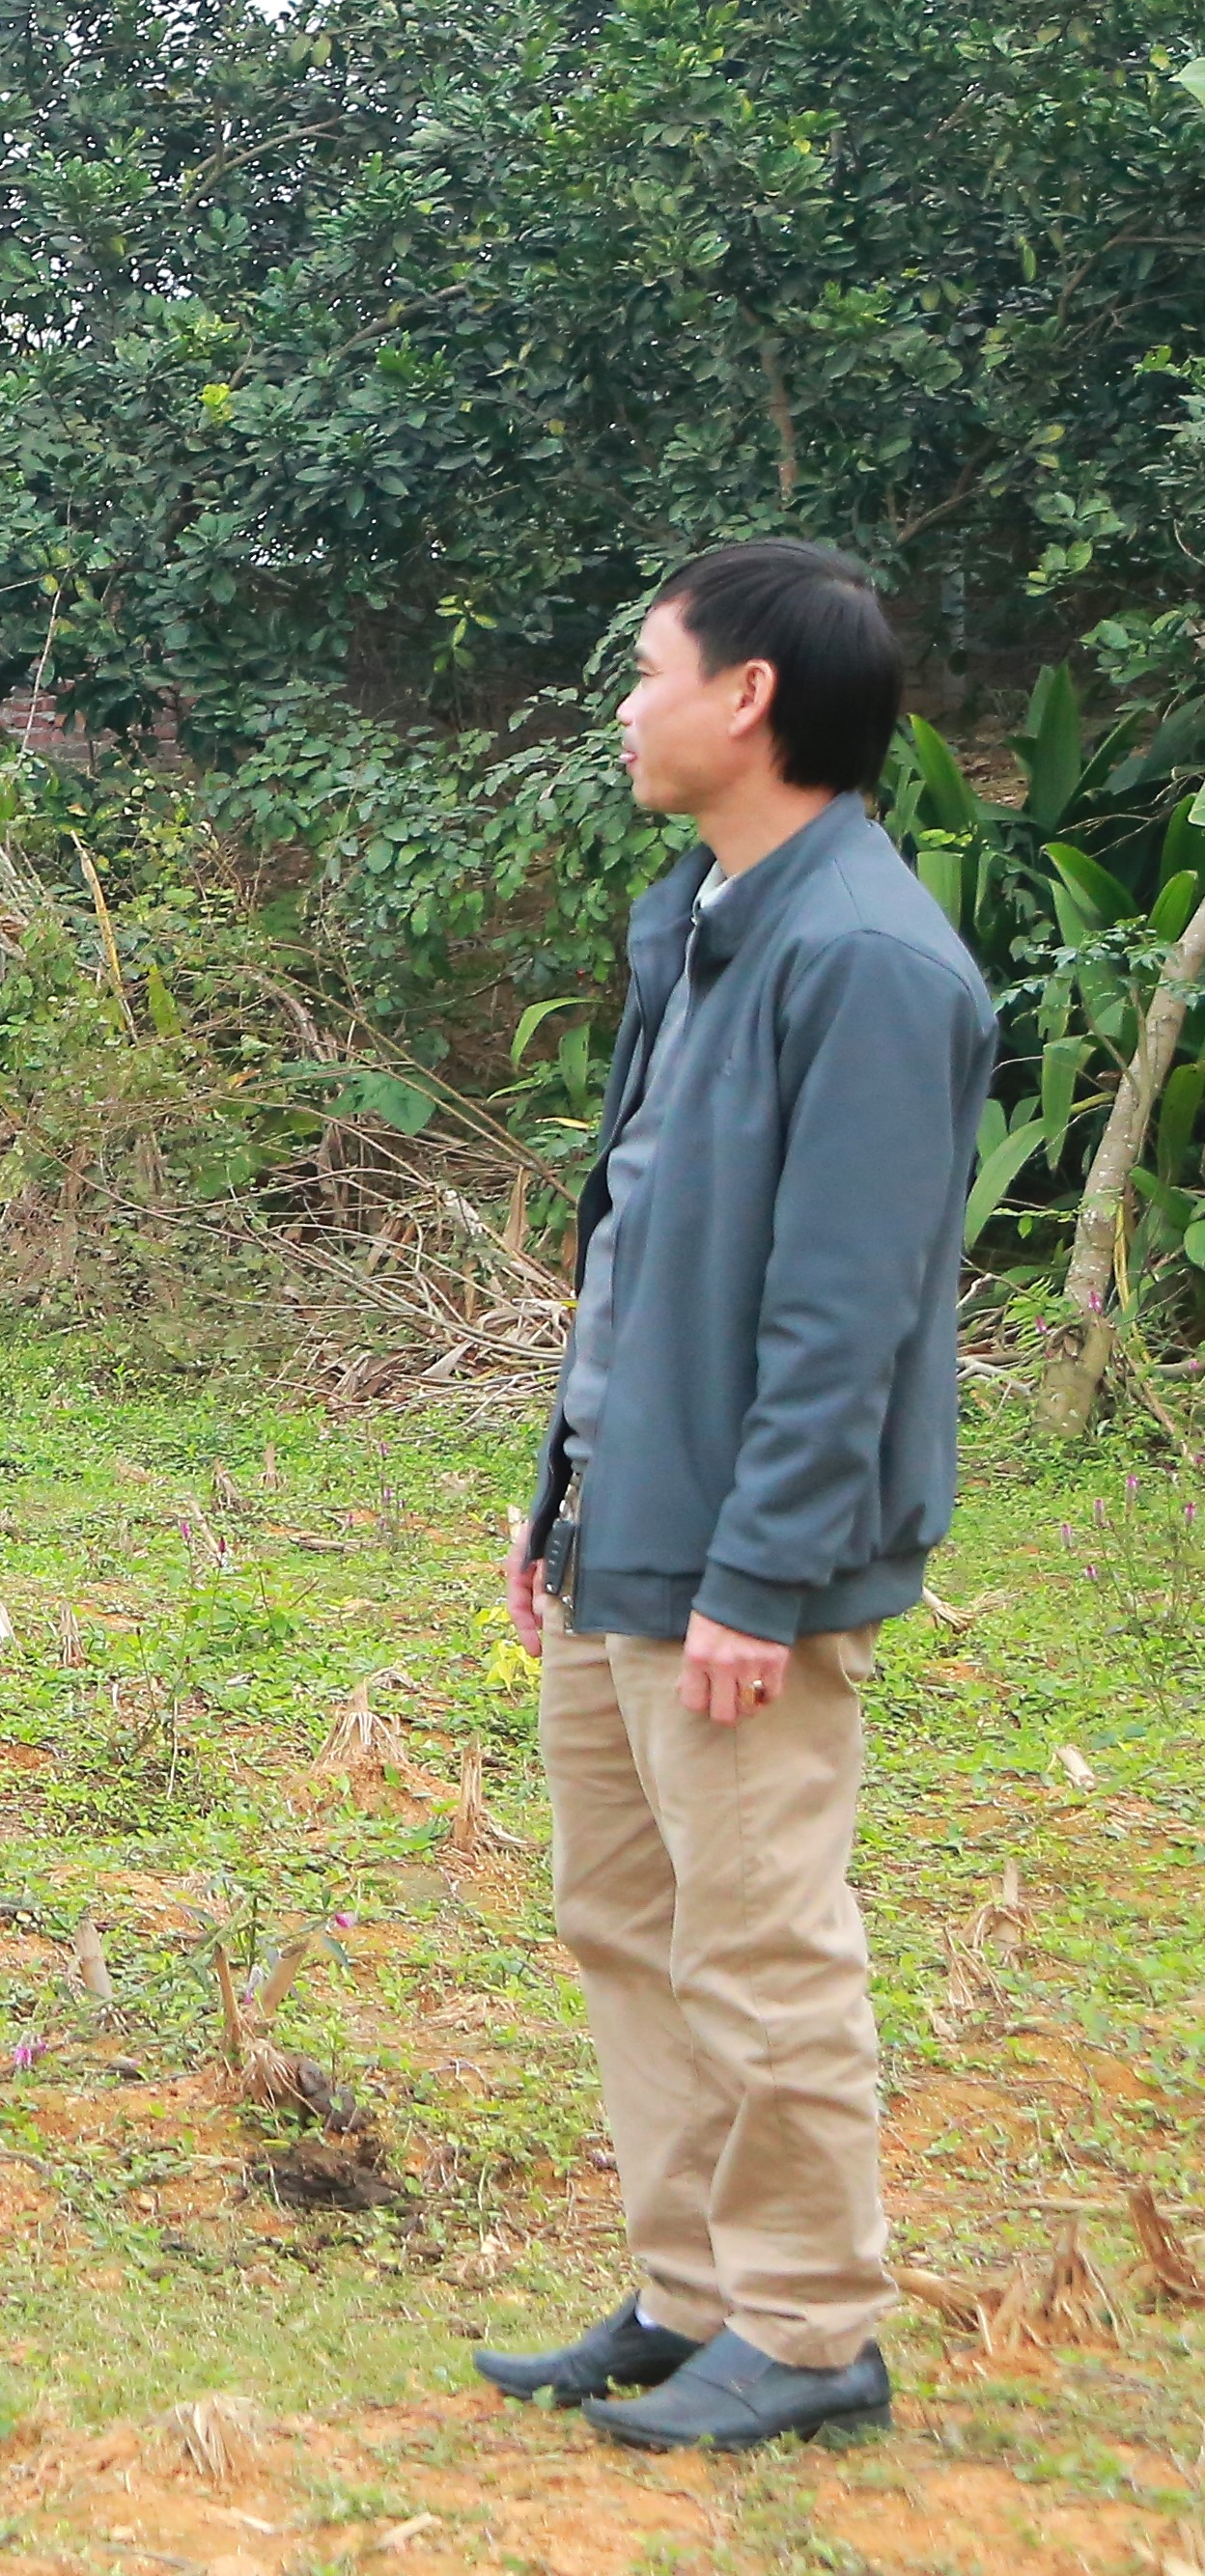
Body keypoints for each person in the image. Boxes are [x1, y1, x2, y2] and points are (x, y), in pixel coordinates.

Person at [471, 540, 991, 2454]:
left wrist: (760, 1577)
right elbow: (638, 1246)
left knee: (758, 1932)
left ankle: (808, 2319)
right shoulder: (695, 914)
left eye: (646, 668)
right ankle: (689, 2290)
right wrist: (558, 1491)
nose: (623, 703)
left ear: (748, 696)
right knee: (623, 1913)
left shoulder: (858, 956)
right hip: (628, 1513)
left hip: (742, 1555)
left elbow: (838, 1317)